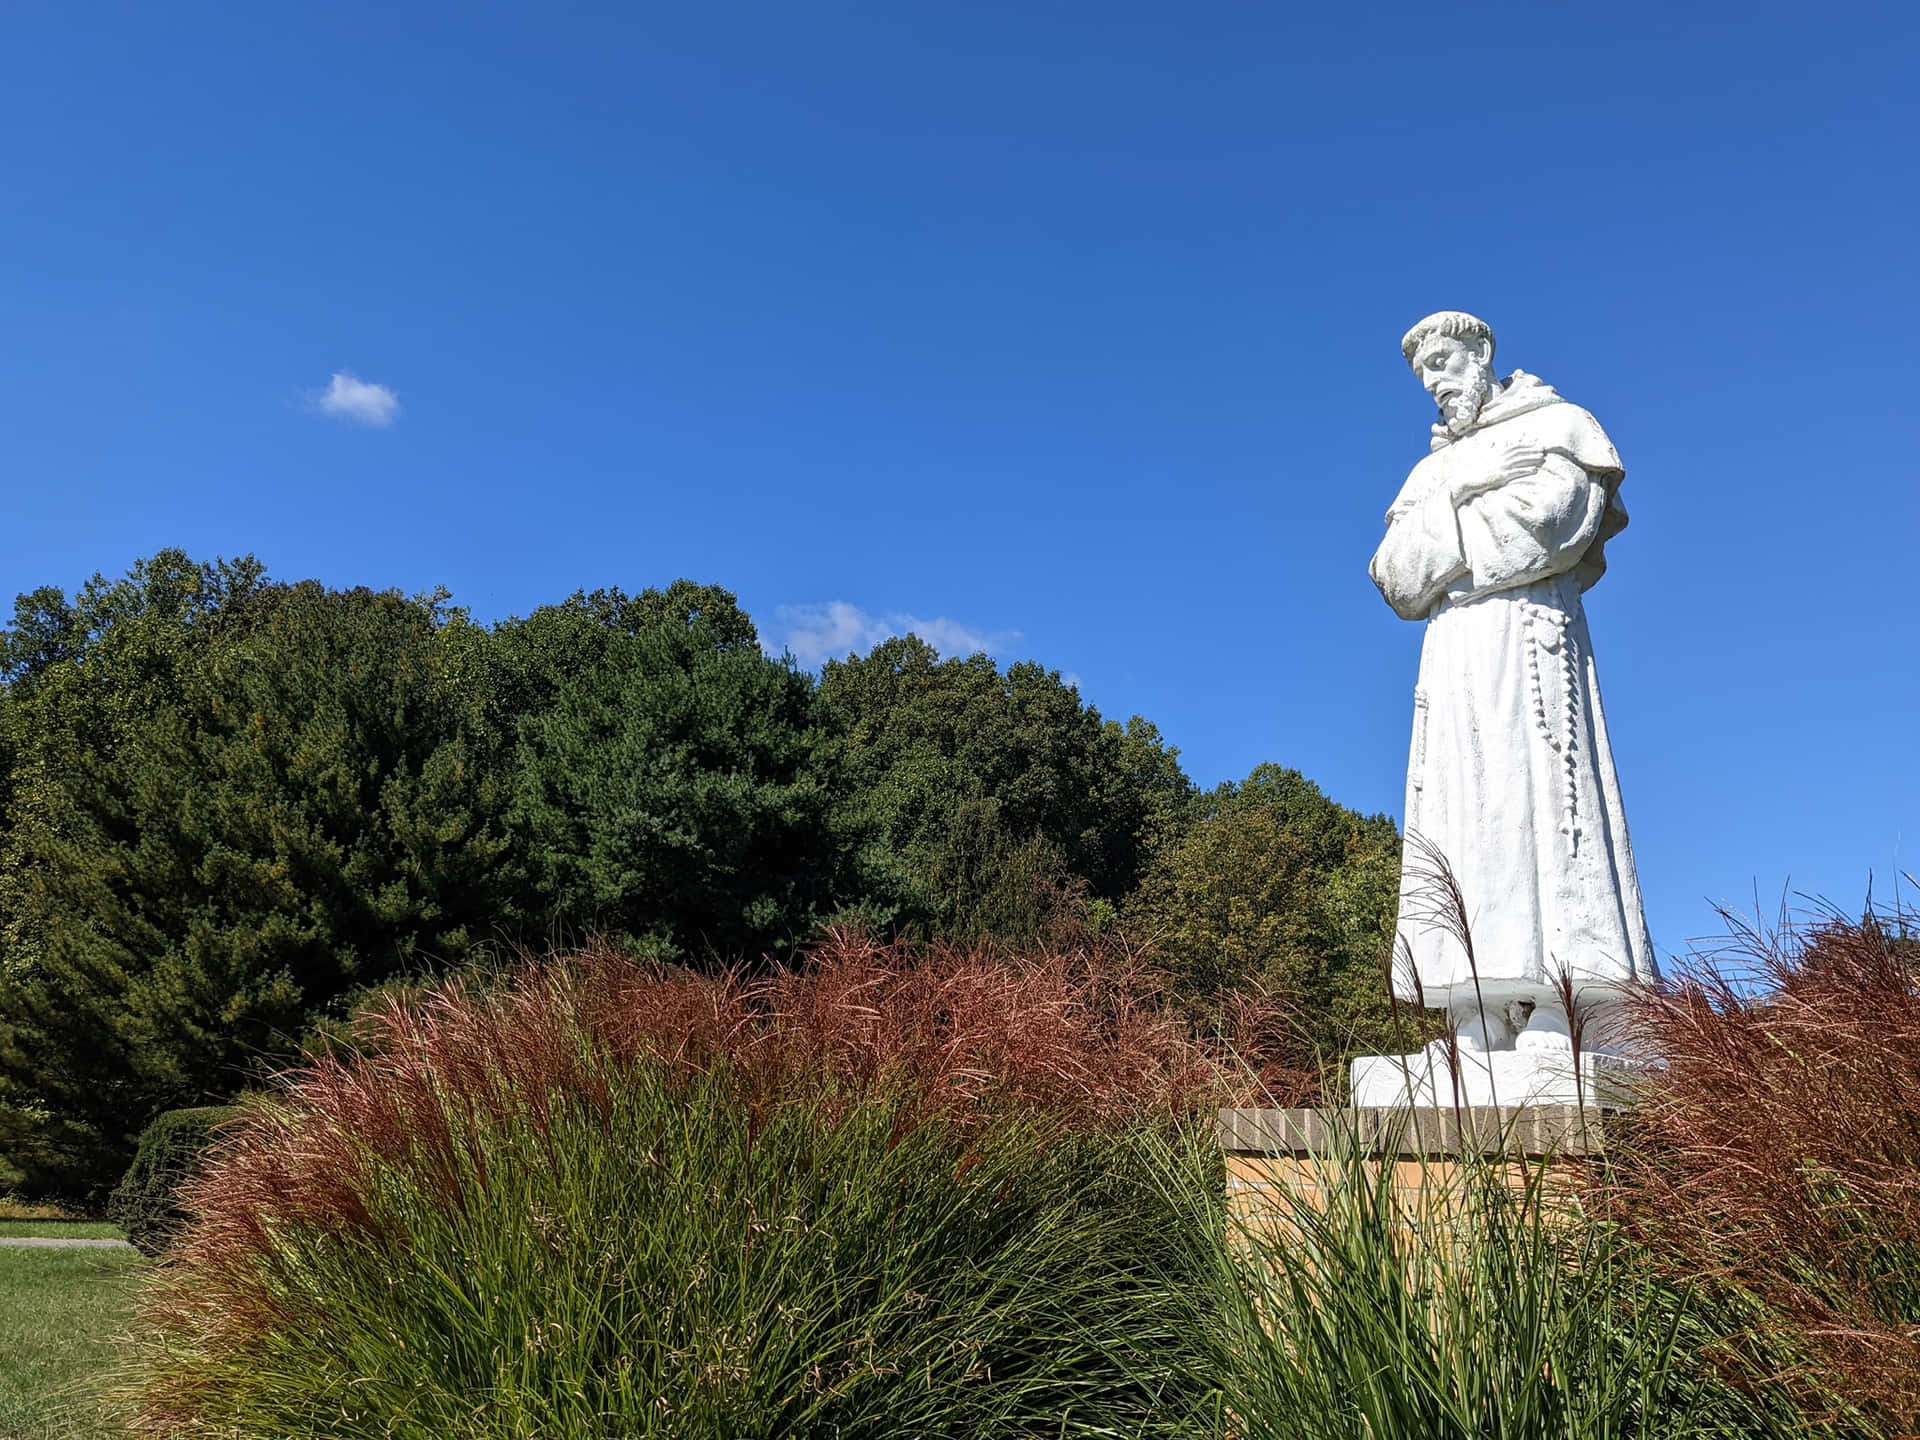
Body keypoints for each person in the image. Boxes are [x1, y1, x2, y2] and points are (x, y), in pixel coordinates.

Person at [1370, 311, 1657, 1056]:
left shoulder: (1557, 425)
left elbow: (1551, 524)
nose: (1435, 381)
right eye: (1422, 372)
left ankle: (1562, 1012)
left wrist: (1447, 535)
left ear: (1482, 352)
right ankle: (1473, 1020)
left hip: (1528, 645)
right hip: (1455, 657)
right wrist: (1468, 503)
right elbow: (1396, 576)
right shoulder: (1428, 472)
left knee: (1540, 810)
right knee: (1463, 823)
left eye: (1442, 361)